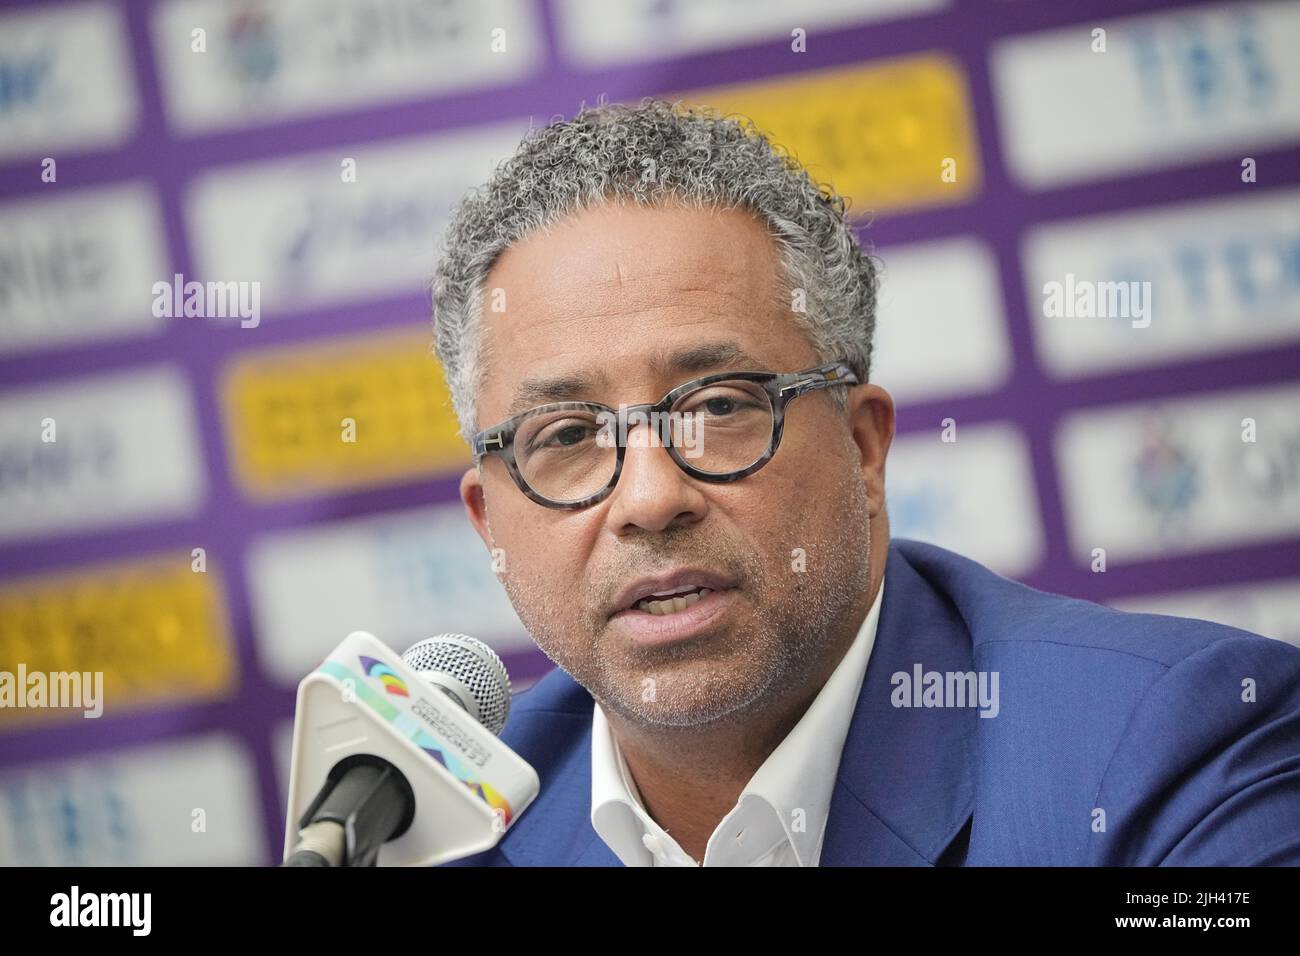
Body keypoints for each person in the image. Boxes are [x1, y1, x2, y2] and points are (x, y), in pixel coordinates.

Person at [430, 98, 1300, 866]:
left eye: (721, 405)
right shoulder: (450, 834)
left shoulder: (1165, 749)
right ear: (489, 525)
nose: (652, 498)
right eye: (570, 434)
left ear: (864, 447)